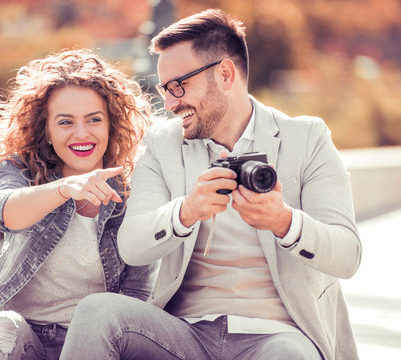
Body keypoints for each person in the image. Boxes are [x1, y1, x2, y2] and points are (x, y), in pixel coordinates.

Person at [60, 9, 361, 360]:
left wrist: (283, 221)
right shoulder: (162, 144)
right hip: (184, 334)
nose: (170, 103)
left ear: (225, 74)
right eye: (165, 89)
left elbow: (347, 255)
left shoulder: (306, 138)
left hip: (277, 336)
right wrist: (186, 212)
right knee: (97, 312)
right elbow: (131, 245)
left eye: (178, 86)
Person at [0, 48, 157, 360]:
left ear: (111, 124)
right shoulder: (20, 170)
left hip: (93, 340)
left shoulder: (134, 190)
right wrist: (65, 188)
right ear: (47, 131)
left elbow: (136, 294)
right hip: (20, 339)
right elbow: (4, 211)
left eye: (94, 119)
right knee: (2, 327)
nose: (82, 133)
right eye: (65, 122)